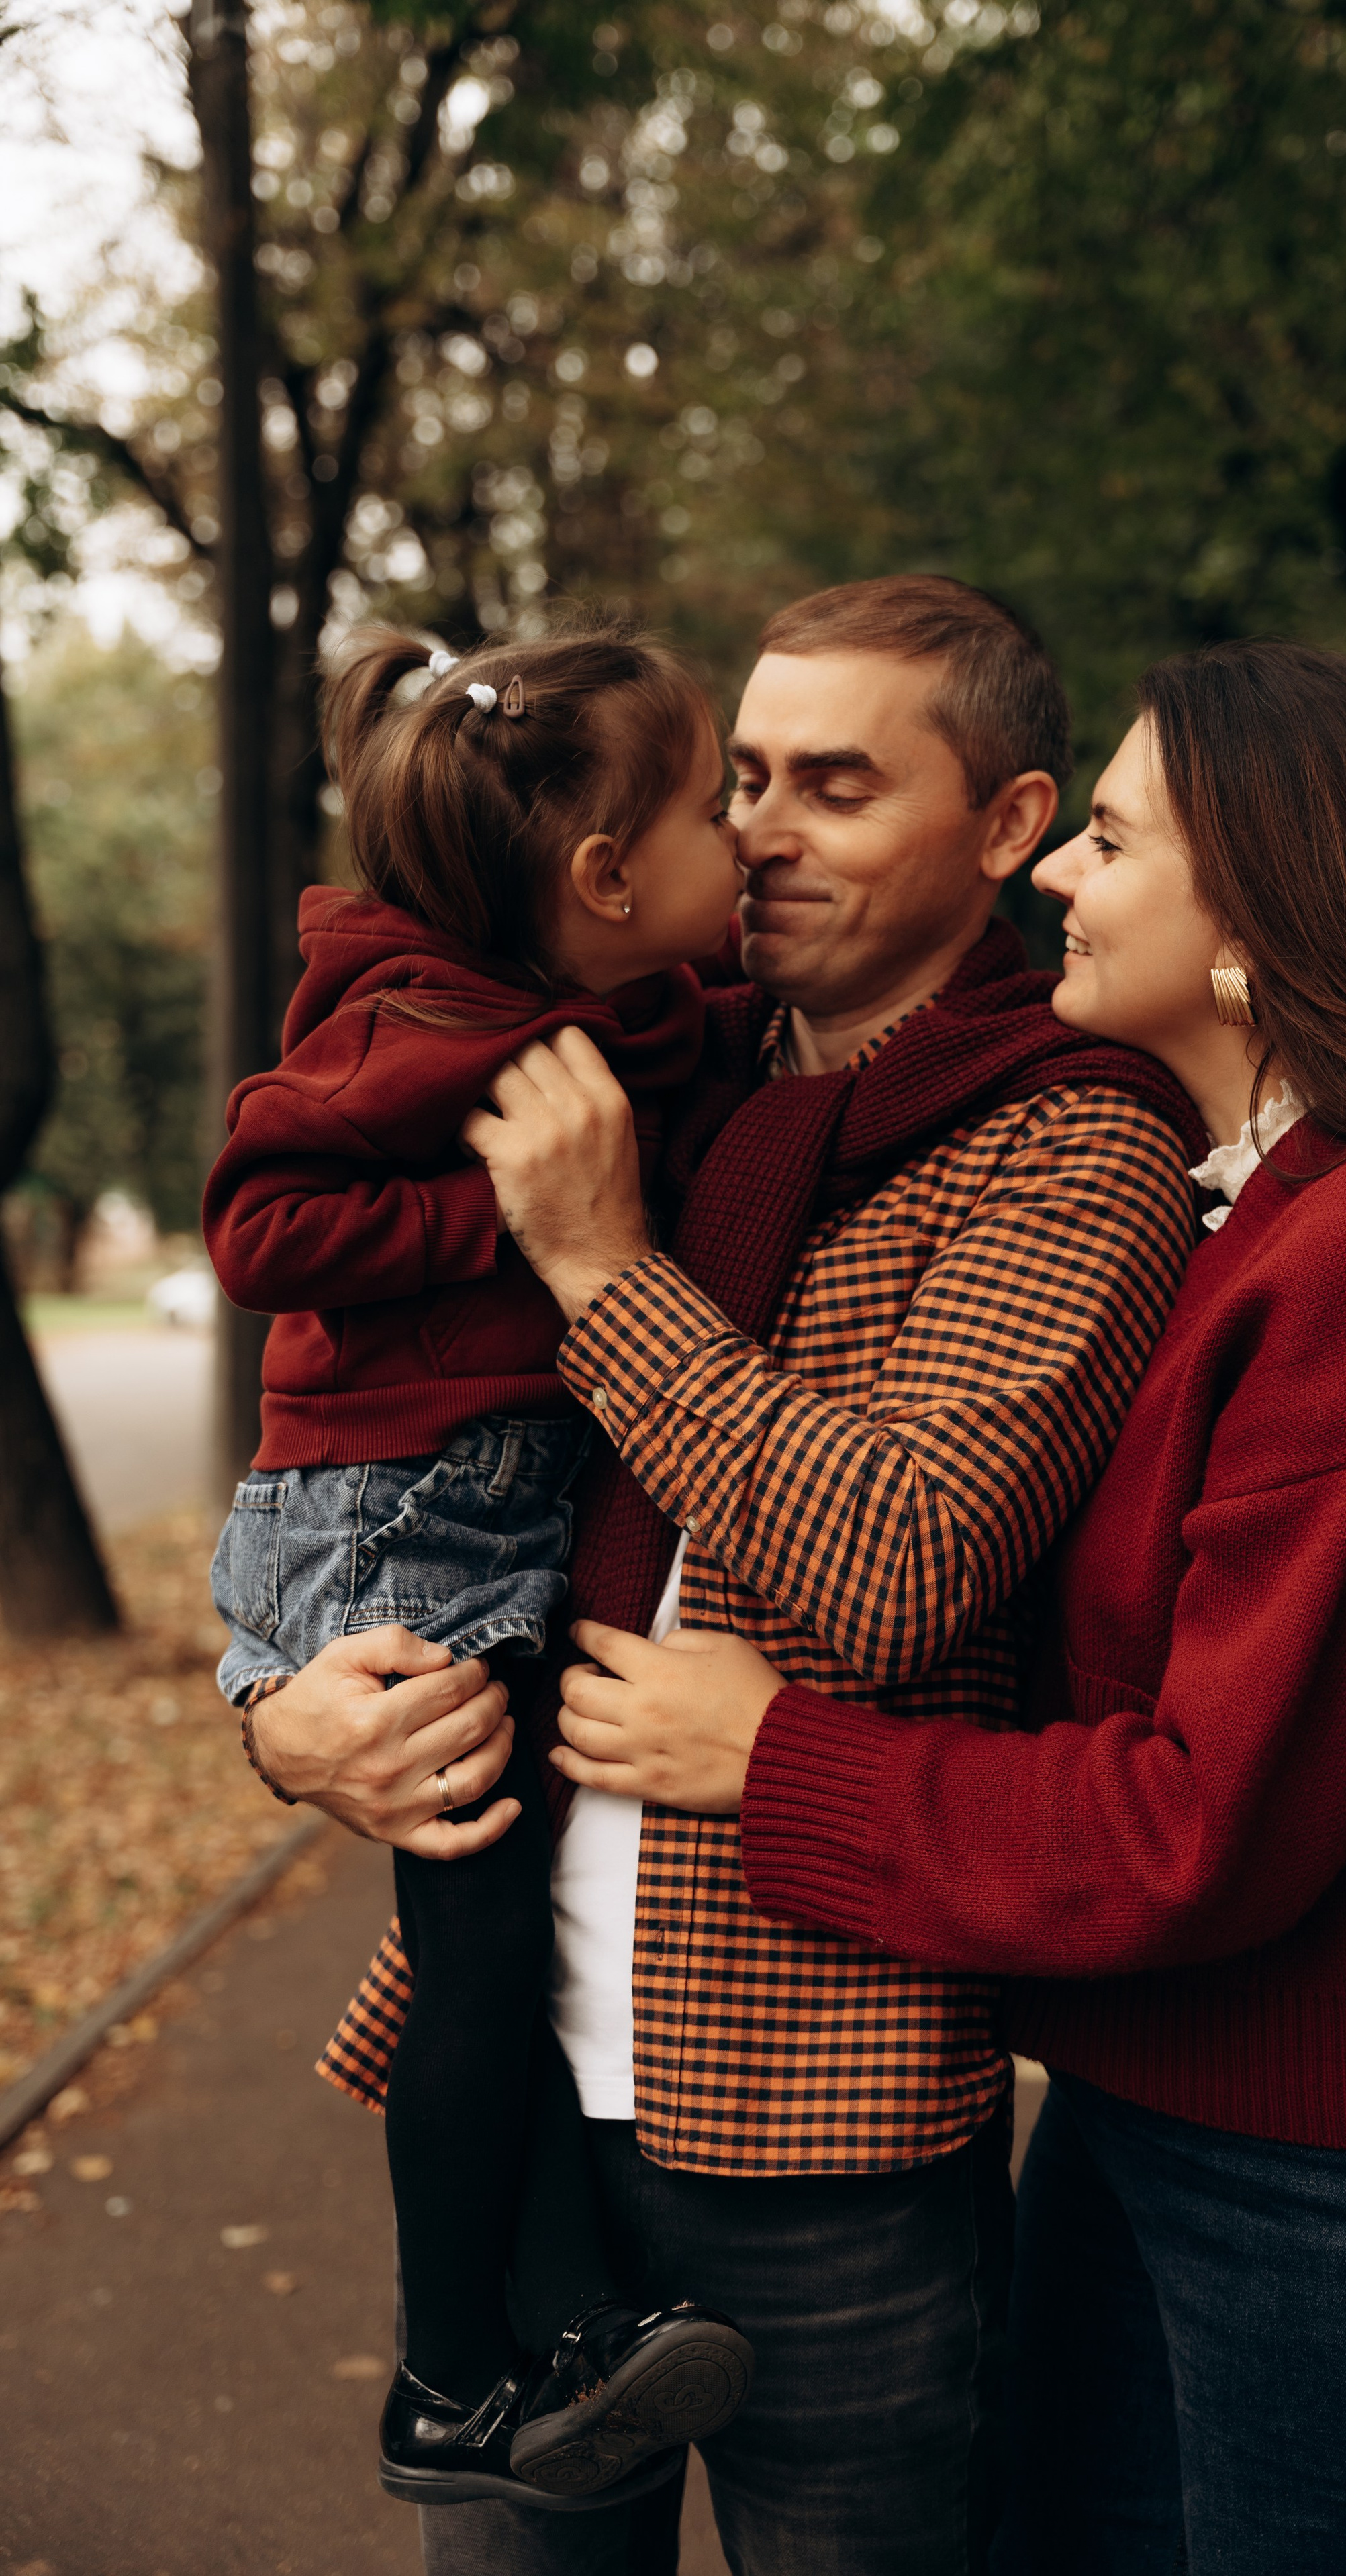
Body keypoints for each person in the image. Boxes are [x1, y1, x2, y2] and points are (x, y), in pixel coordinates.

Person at [544, 639, 1346, 2576]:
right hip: (1161, 2133)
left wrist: (776, 1757)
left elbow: (1198, 1824)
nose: (1060, 879)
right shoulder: (1260, 1210)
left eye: (1106, 836)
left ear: (1261, 904)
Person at [243, 575, 1208, 2576]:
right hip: (523, 2063)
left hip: (815, 2094)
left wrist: (603, 1263)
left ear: (1007, 824)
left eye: (836, 786)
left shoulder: (1072, 1143)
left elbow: (897, 1567)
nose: (763, 828)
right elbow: (397, 1437)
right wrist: (286, 1713)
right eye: (744, 776)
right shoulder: (647, 1067)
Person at [203, 622, 753, 2514]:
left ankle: (536, 2338)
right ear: (602, 877)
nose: (744, 831)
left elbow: (681, 1034)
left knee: (487, 1947)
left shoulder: (582, 986)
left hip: (468, 1489)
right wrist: (511, 1222)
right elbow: (260, 1220)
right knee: (478, 1951)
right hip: (395, 1513)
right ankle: (453, 2374)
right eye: (714, 804)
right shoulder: (427, 1029)